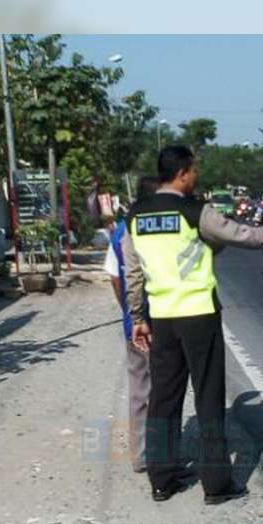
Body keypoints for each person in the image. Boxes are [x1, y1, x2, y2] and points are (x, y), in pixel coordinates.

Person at [122, 146, 263, 505]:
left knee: (163, 399)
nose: (196, 177)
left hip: (161, 316)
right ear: (181, 174)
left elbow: (132, 273)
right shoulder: (194, 211)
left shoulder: (136, 215)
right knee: (208, 398)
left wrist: (138, 317)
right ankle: (216, 484)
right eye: (194, 171)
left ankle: (162, 480)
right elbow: (242, 235)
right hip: (198, 314)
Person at [104, 176, 160, 473]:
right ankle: (161, 456)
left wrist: (127, 309)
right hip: (162, 321)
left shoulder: (121, 231)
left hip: (133, 324)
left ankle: (140, 456)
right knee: (164, 389)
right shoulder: (161, 229)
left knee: (140, 389)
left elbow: (114, 276)